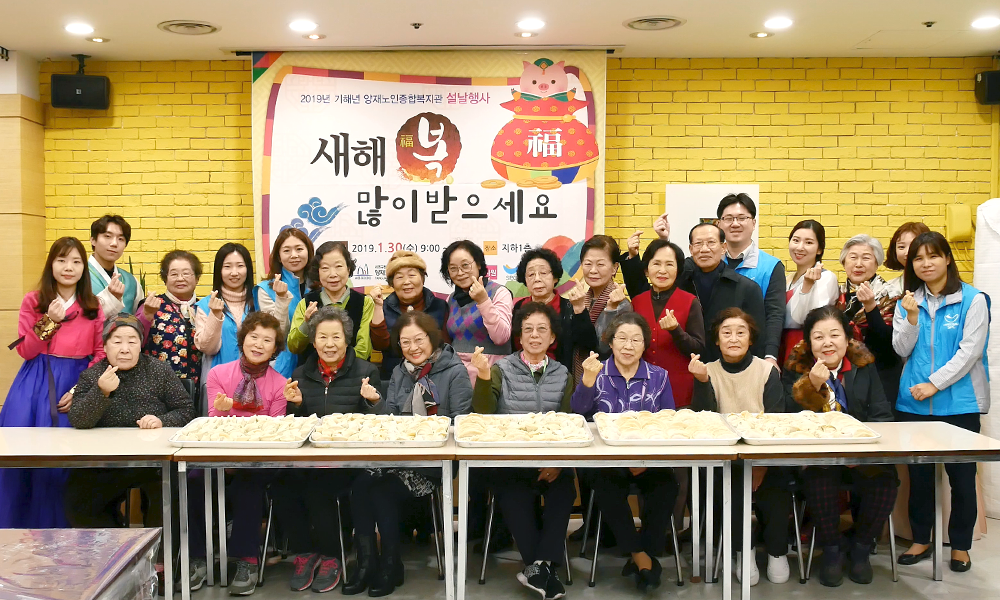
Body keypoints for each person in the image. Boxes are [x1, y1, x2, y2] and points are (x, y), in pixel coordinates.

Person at [346, 311, 472, 597]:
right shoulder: (400, 372)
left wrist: (424, 433)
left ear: (432, 338)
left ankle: (391, 566)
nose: (413, 348)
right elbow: (390, 418)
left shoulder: (454, 371)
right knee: (361, 486)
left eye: (419, 340)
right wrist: (376, 401)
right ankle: (366, 564)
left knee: (383, 491)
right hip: (396, 456)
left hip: (433, 462)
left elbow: (461, 422)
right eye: (405, 342)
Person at [892, 232, 990, 573]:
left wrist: (934, 383)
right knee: (918, 479)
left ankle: (960, 546)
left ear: (948, 258)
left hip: (960, 405)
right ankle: (921, 539)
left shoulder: (973, 299)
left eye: (933, 256)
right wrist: (912, 319)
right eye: (918, 258)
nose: (926, 263)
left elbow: (970, 351)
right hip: (914, 405)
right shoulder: (907, 302)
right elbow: (901, 349)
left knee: (961, 480)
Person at [783, 306, 897, 587]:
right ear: (809, 342)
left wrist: (861, 452)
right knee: (819, 480)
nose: (828, 343)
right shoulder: (796, 368)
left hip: (862, 454)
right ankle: (832, 548)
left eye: (835, 335)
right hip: (817, 457)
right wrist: (811, 385)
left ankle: (861, 547)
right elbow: (788, 420)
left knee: (885, 481)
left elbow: (881, 414)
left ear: (847, 338)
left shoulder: (863, 365)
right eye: (818, 337)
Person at [179, 312, 289, 594]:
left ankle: (247, 559)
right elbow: (215, 424)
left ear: (275, 348)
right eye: (254, 337)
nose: (259, 344)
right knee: (194, 479)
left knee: (248, 484)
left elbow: (274, 432)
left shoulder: (280, 384)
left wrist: (235, 412)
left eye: (267, 340)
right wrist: (227, 413)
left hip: (260, 459)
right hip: (220, 455)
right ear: (243, 339)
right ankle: (197, 559)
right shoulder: (218, 374)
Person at [275, 306, 382, 593]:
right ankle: (305, 553)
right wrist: (295, 405)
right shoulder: (301, 373)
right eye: (323, 337)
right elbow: (296, 425)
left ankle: (332, 556)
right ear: (313, 341)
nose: (329, 344)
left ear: (347, 339)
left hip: (352, 463)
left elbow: (378, 426)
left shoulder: (366, 371)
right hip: (309, 459)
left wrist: (372, 402)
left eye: (336, 337)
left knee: (318, 487)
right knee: (281, 485)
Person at [0, 237, 106, 528]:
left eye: (76, 261)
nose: (68, 267)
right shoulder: (34, 301)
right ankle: (16, 532)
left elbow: (99, 353)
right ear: (51, 265)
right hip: (35, 384)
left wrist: (79, 390)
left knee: (65, 464)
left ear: (84, 268)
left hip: (76, 382)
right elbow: (25, 350)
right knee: (22, 458)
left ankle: (64, 534)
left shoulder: (93, 305)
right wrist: (49, 320)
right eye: (61, 260)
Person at [64, 313, 194, 549]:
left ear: (140, 345)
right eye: (117, 341)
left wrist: (162, 420)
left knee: (167, 497)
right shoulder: (93, 375)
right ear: (105, 346)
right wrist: (101, 392)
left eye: (132, 342)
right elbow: (79, 420)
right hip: (105, 462)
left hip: (154, 462)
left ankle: (159, 559)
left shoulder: (159, 371)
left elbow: (187, 411)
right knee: (79, 501)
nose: (125, 349)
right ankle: (116, 552)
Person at [472, 303, 575, 600]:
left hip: (551, 461)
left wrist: (558, 462)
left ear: (552, 337)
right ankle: (542, 567)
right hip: (510, 461)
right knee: (513, 492)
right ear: (519, 336)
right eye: (528, 329)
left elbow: (568, 423)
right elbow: (483, 412)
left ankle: (537, 568)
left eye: (542, 329)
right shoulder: (501, 369)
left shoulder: (563, 374)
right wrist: (482, 376)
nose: (534, 335)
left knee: (564, 489)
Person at [571, 312, 676, 591]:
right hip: (606, 461)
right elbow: (578, 413)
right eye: (622, 338)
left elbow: (668, 421)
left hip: (649, 460)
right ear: (611, 342)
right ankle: (641, 557)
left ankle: (644, 553)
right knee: (606, 487)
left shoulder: (659, 377)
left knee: (666, 486)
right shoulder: (596, 372)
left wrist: (645, 460)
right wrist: (587, 381)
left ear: (644, 345)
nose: (628, 346)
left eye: (636, 340)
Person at [690, 309, 790, 586]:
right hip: (727, 458)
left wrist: (760, 464)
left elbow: (776, 422)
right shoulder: (707, 371)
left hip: (765, 455)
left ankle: (777, 551)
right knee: (731, 484)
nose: (733, 338)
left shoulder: (766, 371)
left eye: (740, 332)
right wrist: (701, 382)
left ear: (751, 338)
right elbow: (704, 421)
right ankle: (742, 551)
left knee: (778, 483)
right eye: (726, 333)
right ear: (717, 339)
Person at [624, 223, 766, 364]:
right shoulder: (682, 280)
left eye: (711, 243)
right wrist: (633, 256)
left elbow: (758, 336)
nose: (704, 249)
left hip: (730, 366)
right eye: (698, 243)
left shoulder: (747, 288)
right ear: (691, 249)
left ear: (723, 247)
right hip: (687, 367)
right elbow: (645, 294)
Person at [628, 239, 704, 407]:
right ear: (646, 269)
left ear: (678, 269)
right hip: (641, 391)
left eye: (669, 264)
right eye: (656, 264)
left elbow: (698, 349)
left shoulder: (690, 302)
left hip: (679, 392)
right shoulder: (637, 302)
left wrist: (676, 330)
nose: (662, 270)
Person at [716, 194, 786, 371]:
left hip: (756, 357)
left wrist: (770, 356)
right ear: (719, 224)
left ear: (753, 223)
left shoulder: (771, 266)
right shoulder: (710, 264)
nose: (735, 224)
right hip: (715, 357)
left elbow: (775, 314)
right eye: (728, 218)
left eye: (742, 218)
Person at [837, 234, 903, 406]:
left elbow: (889, 344)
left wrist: (871, 307)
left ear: (876, 263)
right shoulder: (836, 295)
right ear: (844, 262)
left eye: (866, 258)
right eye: (853, 257)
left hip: (880, 377)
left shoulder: (891, 294)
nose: (858, 264)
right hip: (844, 376)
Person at [512, 246, 598, 375]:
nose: (537, 279)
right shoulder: (519, 307)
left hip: (560, 377)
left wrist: (580, 309)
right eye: (531, 274)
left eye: (543, 273)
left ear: (555, 277)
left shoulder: (569, 307)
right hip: (522, 377)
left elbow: (589, 345)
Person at [288, 241, 375, 365]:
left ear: (348, 268)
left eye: (338, 266)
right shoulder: (306, 303)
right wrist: (306, 323)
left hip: (354, 372)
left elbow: (364, 349)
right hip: (313, 373)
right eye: (325, 268)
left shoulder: (365, 302)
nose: (333, 274)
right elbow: (294, 346)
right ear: (318, 272)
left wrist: (336, 368)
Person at [440, 240, 514, 383]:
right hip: (457, 376)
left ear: (479, 264)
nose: (460, 273)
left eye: (465, 265)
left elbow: (501, 337)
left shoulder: (499, 292)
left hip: (491, 374)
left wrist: (483, 301)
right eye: (453, 268)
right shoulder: (451, 299)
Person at [369, 250, 449, 379]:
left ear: (422, 278)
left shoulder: (439, 306)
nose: (406, 282)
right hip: (394, 377)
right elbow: (379, 345)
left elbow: (446, 346)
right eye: (399, 277)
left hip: (435, 377)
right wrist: (378, 306)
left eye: (412, 275)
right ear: (392, 283)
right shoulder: (384, 307)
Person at [254, 228, 315, 377]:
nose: (294, 255)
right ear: (279, 257)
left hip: (317, 364)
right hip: (283, 368)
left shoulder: (320, 286)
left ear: (308, 252)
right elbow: (277, 334)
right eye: (287, 250)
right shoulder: (266, 290)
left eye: (299, 249)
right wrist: (281, 298)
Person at [138, 250, 203, 386]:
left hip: (197, 386)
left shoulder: (203, 308)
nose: (180, 279)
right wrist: (147, 315)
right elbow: (135, 340)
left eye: (186, 273)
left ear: (197, 278)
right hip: (157, 386)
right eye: (174, 274)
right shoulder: (152, 304)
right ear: (165, 278)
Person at [195, 243, 257, 381]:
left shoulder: (259, 302)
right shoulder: (205, 305)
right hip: (218, 381)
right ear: (219, 270)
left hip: (256, 380)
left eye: (240, 266)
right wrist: (215, 315)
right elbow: (207, 348)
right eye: (227, 266)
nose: (234, 272)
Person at [573, 235, 632, 379]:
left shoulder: (623, 306)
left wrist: (610, 310)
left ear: (614, 268)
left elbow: (603, 348)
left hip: (608, 380)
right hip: (580, 377)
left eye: (600, 264)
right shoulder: (580, 300)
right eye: (588, 264)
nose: (593, 270)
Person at [784, 220, 839, 363]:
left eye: (808, 242)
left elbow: (808, 319)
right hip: (782, 343)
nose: (800, 247)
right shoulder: (787, 279)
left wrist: (807, 286)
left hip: (806, 347)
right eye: (796, 240)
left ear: (819, 249)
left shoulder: (826, 277)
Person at [88, 214, 145, 316]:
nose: (114, 243)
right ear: (93, 240)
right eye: (107, 236)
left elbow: (139, 319)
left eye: (120, 239)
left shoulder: (131, 282)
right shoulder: (78, 275)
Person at [884, 222, 931, 297]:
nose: (907, 252)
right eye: (901, 247)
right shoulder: (888, 288)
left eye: (913, 246)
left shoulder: (938, 285)